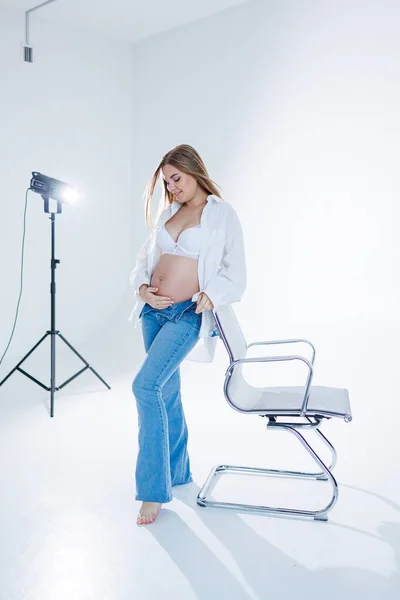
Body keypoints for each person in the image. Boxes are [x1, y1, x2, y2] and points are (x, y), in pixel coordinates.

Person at [129, 144, 247, 525]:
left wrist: (211, 295)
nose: (173, 187)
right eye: (167, 182)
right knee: (166, 392)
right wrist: (142, 289)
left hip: (185, 314)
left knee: (145, 387)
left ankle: (152, 490)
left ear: (194, 171)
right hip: (153, 313)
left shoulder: (221, 214)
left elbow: (235, 271)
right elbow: (144, 260)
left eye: (176, 178)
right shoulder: (169, 212)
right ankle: (178, 474)